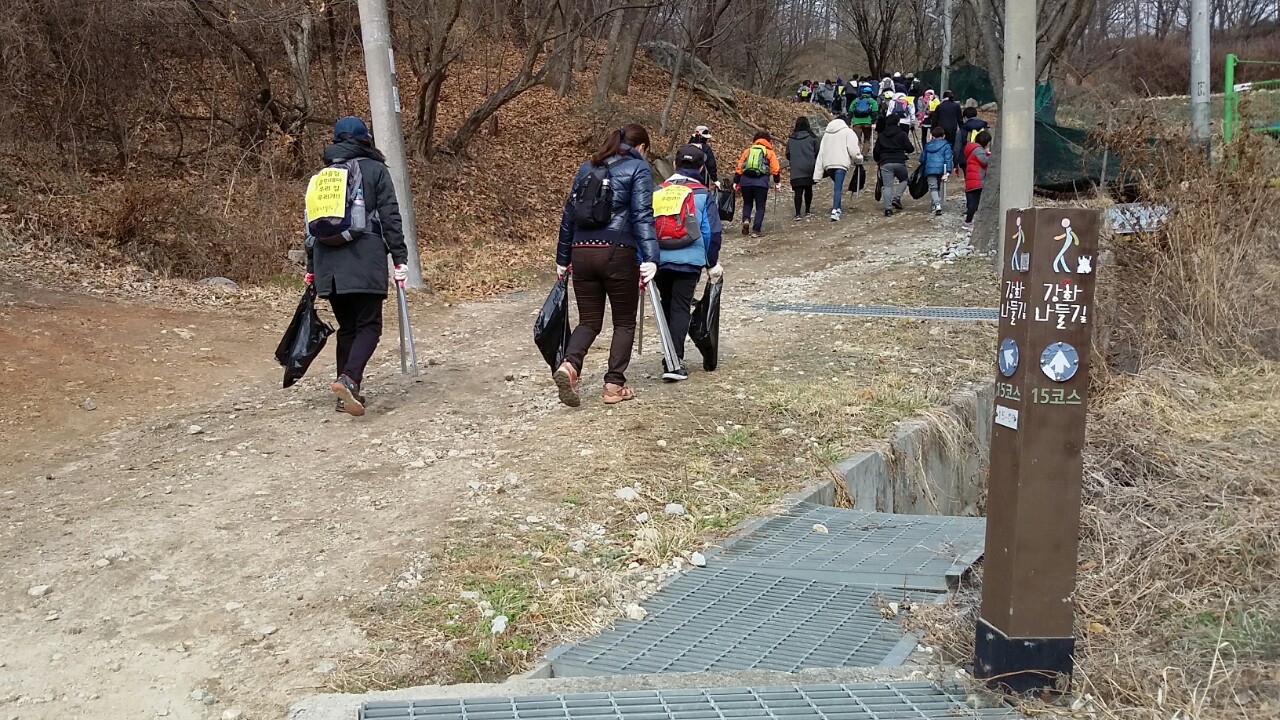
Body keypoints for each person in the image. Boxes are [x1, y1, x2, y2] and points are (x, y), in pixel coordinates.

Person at [304, 116, 408, 417]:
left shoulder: (323, 176)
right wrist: (400, 257)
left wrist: (312, 268)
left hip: (328, 265)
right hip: (364, 260)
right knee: (369, 326)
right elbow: (390, 215)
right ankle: (349, 379)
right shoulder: (375, 170)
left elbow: (310, 228)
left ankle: (346, 393)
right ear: (366, 138)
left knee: (348, 328)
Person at [553, 124, 658, 407]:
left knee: (589, 321)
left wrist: (562, 258)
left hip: (581, 252)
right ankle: (613, 386)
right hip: (617, 253)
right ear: (641, 148)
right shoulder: (638, 168)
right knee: (624, 322)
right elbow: (642, 215)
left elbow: (568, 215)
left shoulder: (587, 167)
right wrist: (651, 257)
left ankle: (569, 366)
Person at [655, 144, 723, 382]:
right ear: (702, 168)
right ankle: (674, 361)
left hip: (660, 258)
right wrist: (711, 262)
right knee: (680, 307)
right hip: (689, 260)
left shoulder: (659, 190)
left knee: (666, 305)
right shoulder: (702, 193)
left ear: (675, 164)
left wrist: (645, 258)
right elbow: (711, 232)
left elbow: (645, 225)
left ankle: (669, 355)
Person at [812, 116, 863, 222]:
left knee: (837, 186)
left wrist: (818, 173)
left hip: (828, 165)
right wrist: (859, 160)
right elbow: (854, 150)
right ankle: (835, 210)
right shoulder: (848, 132)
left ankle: (838, 207)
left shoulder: (827, 134)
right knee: (838, 188)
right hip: (840, 164)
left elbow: (821, 152)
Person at [733, 131, 781, 238]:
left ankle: (746, 220)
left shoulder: (748, 151)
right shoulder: (769, 152)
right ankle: (756, 230)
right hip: (761, 183)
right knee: (760, 206)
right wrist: (777, 182)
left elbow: (740, 167)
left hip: (746, 182)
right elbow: (775, 169)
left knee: (747, 203)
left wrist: (736, 181)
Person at [872, 114, 915, 217]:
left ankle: (888, 210)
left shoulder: (881, 135)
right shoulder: (902, 134)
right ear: (897, 122)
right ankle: (897, 198)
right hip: (899, 161)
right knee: (904, 180)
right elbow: (910, 148)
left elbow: (876, 151)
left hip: (885, 162)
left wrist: (878, 159)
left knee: (887, 186)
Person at [785, 117, 819, 221]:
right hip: (809, 167)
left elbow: (788, 154)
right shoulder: (812, 138)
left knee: (798, 191)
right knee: (808, 189)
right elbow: (817, 151)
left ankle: (797, 214)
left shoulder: (791, 140)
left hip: (796, 168)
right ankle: (807, 210)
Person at [921, 125, 954, 216]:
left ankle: (935, 205)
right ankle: (937, 204)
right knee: (938, 187)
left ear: (932, 136)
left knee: (933, 187)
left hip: (930, 169)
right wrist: (948, 171)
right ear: (944, 136)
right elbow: (948, 159)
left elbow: (922, 159)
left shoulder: (927, 145)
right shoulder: (946, 145)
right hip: (941, 169)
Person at [963, 130, 992, 229]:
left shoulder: (972, 148)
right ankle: (968, 221)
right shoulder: (978, 150)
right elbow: (985, 161)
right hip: (977, 179)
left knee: (972, 202)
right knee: (976, 203)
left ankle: (969, 220)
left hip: (971, 180)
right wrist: (989, 154)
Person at [956, 106, 990, 171]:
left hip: (966, 160)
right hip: (981, 157)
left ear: (965, 117)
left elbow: (957, 147)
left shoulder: (962, 129)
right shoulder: (984, 127)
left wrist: (956, 163)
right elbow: (989, 142)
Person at [932, 91, 964, 157]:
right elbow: (960, 119)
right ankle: (949, 158)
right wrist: (962, 129)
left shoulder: (939, 106)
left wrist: (933, 130)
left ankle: (941, 157)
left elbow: (934, 119)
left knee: (940, 144)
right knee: (951, 145)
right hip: (952, 129)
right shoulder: (956, 106)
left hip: (941, 129)